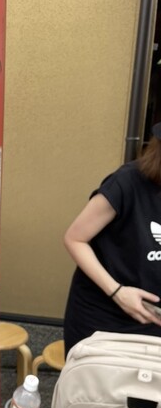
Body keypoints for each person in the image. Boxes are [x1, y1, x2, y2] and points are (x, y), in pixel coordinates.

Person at [63, 124, 161, 356]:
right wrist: (118, 292)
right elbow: (75, 239)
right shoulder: (127, 182)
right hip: (105, 317)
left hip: (154, 323)